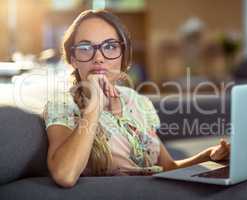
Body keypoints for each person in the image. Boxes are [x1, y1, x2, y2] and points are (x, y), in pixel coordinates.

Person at [43, 9, 230, 188]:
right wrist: (95, 107)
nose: (98, 57)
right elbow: (65, 175)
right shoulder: (62, 105)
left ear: (123, 55)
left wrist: (209, 157)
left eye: (109, 46)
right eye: (85, 47)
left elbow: (169, 167)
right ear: (73, 59)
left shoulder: (136, 101)